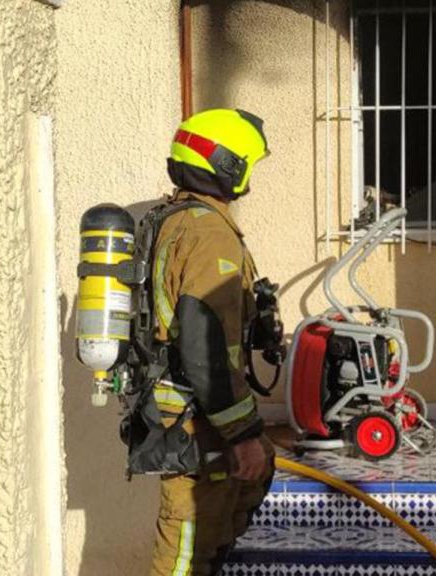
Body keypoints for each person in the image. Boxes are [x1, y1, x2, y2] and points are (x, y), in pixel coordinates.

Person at [148, 108, 275, 576]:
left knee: (244, 487)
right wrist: (240, 434)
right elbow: (204, 344)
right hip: (195, 419)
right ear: (227, 163)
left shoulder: (177, 218)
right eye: (247, 163)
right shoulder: (207, 233)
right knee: (185, 550)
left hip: (193, 413)